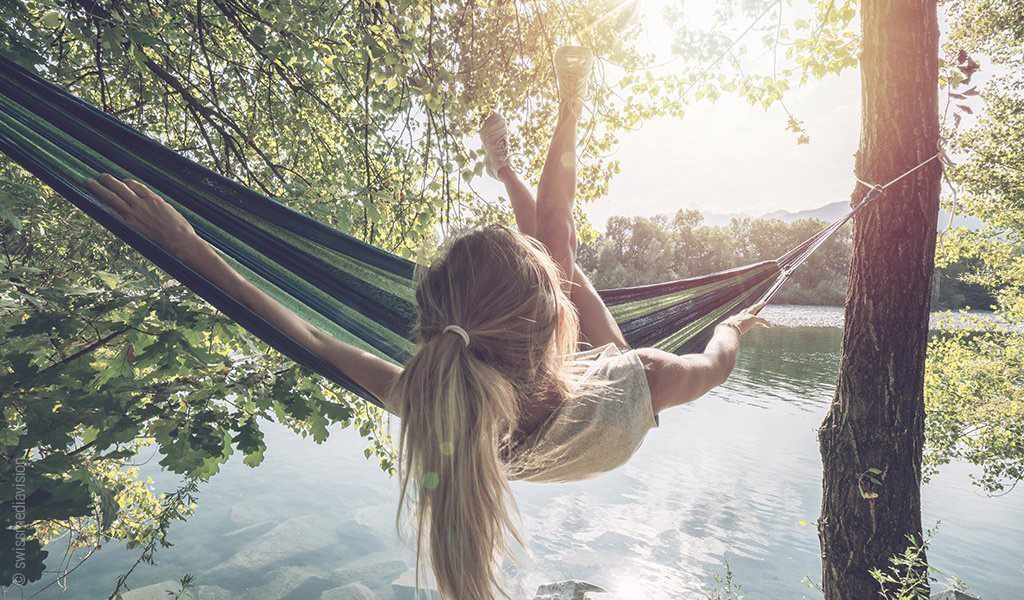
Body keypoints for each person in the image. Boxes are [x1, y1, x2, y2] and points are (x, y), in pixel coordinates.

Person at [83, 45, 769, 600]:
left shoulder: (442, 397)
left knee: (554, 249)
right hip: (615, 418)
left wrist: (184, 246)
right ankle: (566, 112)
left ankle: (511, 166)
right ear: (564, 322)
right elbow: (718, 363)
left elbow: (309, 334)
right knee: (557, 247)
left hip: (551, 430)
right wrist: (733, 322)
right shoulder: (635, 376)